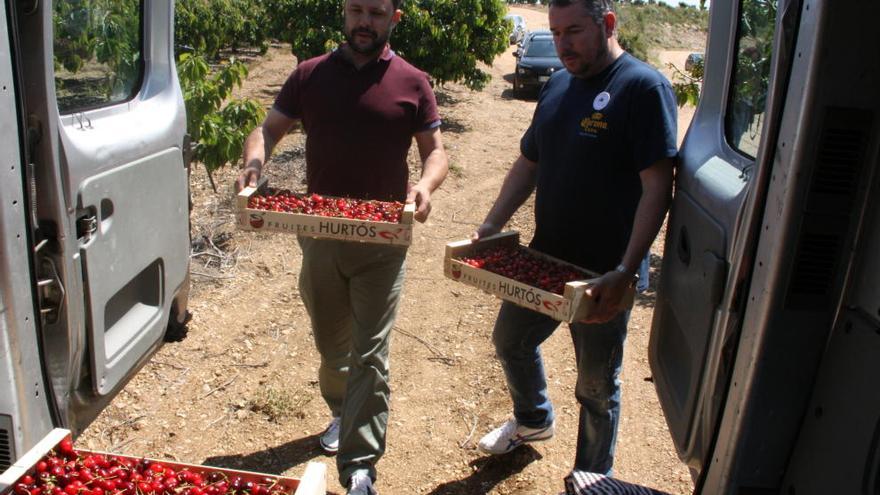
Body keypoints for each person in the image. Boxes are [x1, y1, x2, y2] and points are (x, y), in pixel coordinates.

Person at [235, 0, 448, 492]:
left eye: (376, 13)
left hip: (383, 241)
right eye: (356, 10)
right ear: (344, 14)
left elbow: (434, 151)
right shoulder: (309, 75)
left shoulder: (413, 81)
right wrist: (254, 163)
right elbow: (268, 129)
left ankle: (360, 468)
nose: (364, 22)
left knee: (371, 353)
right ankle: (340, 411)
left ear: (393, 19)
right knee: (333, 349)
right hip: (321, 237)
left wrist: (425, 187)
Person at [472, 0, 676, 476]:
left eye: (574, 32)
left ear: (607, 24)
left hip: (602, 275)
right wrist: (492, 221)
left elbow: (657, 186)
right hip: (546, 259)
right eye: (556, 32)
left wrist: (626, 271)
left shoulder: (643, 87)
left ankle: (590, 478)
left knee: (596, 388)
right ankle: (534, 420)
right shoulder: (559, 83)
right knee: (511, 341)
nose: (563, 45)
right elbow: (530, 163)